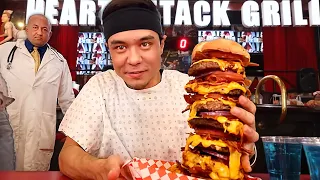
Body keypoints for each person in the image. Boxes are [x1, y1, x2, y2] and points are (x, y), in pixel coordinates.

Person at [58, 0, 259, 179]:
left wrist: (242, 146)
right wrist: (100, 168)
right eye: (120, 47)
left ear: (161, 45)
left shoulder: (194, 89)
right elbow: (67, 156)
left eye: (145, 44)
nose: (134, 59)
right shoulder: (100, 87)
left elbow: (241, 158)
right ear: (109, 49)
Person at [0, 14, 75, 171]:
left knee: (36, 174)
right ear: (26, 29)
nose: (39, 32)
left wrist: (75, 133)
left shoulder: (59, 61)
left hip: (41, 130)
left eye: (44, 29)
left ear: (50, 34)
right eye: (35, 27)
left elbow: (67, 100)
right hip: (10, 124)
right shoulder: (4, 52)